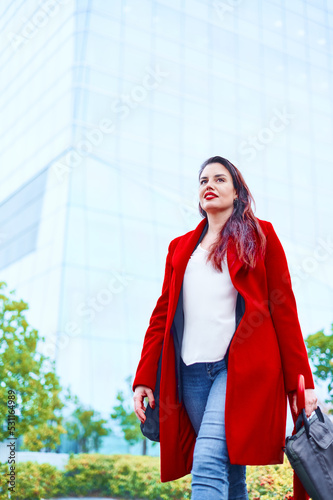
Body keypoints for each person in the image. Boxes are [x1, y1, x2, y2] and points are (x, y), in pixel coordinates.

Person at [132, 156, 318, 499]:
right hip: (189, 373)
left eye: (219, 179)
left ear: (236, 192)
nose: (209, 185)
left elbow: (284, 309)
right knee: (230, 473)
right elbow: (162, 316)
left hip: (238, 370)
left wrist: (301, 382)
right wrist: (144, 378)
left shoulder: (261, 236)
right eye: (203, 180)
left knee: (205, 464)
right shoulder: (180, 248)